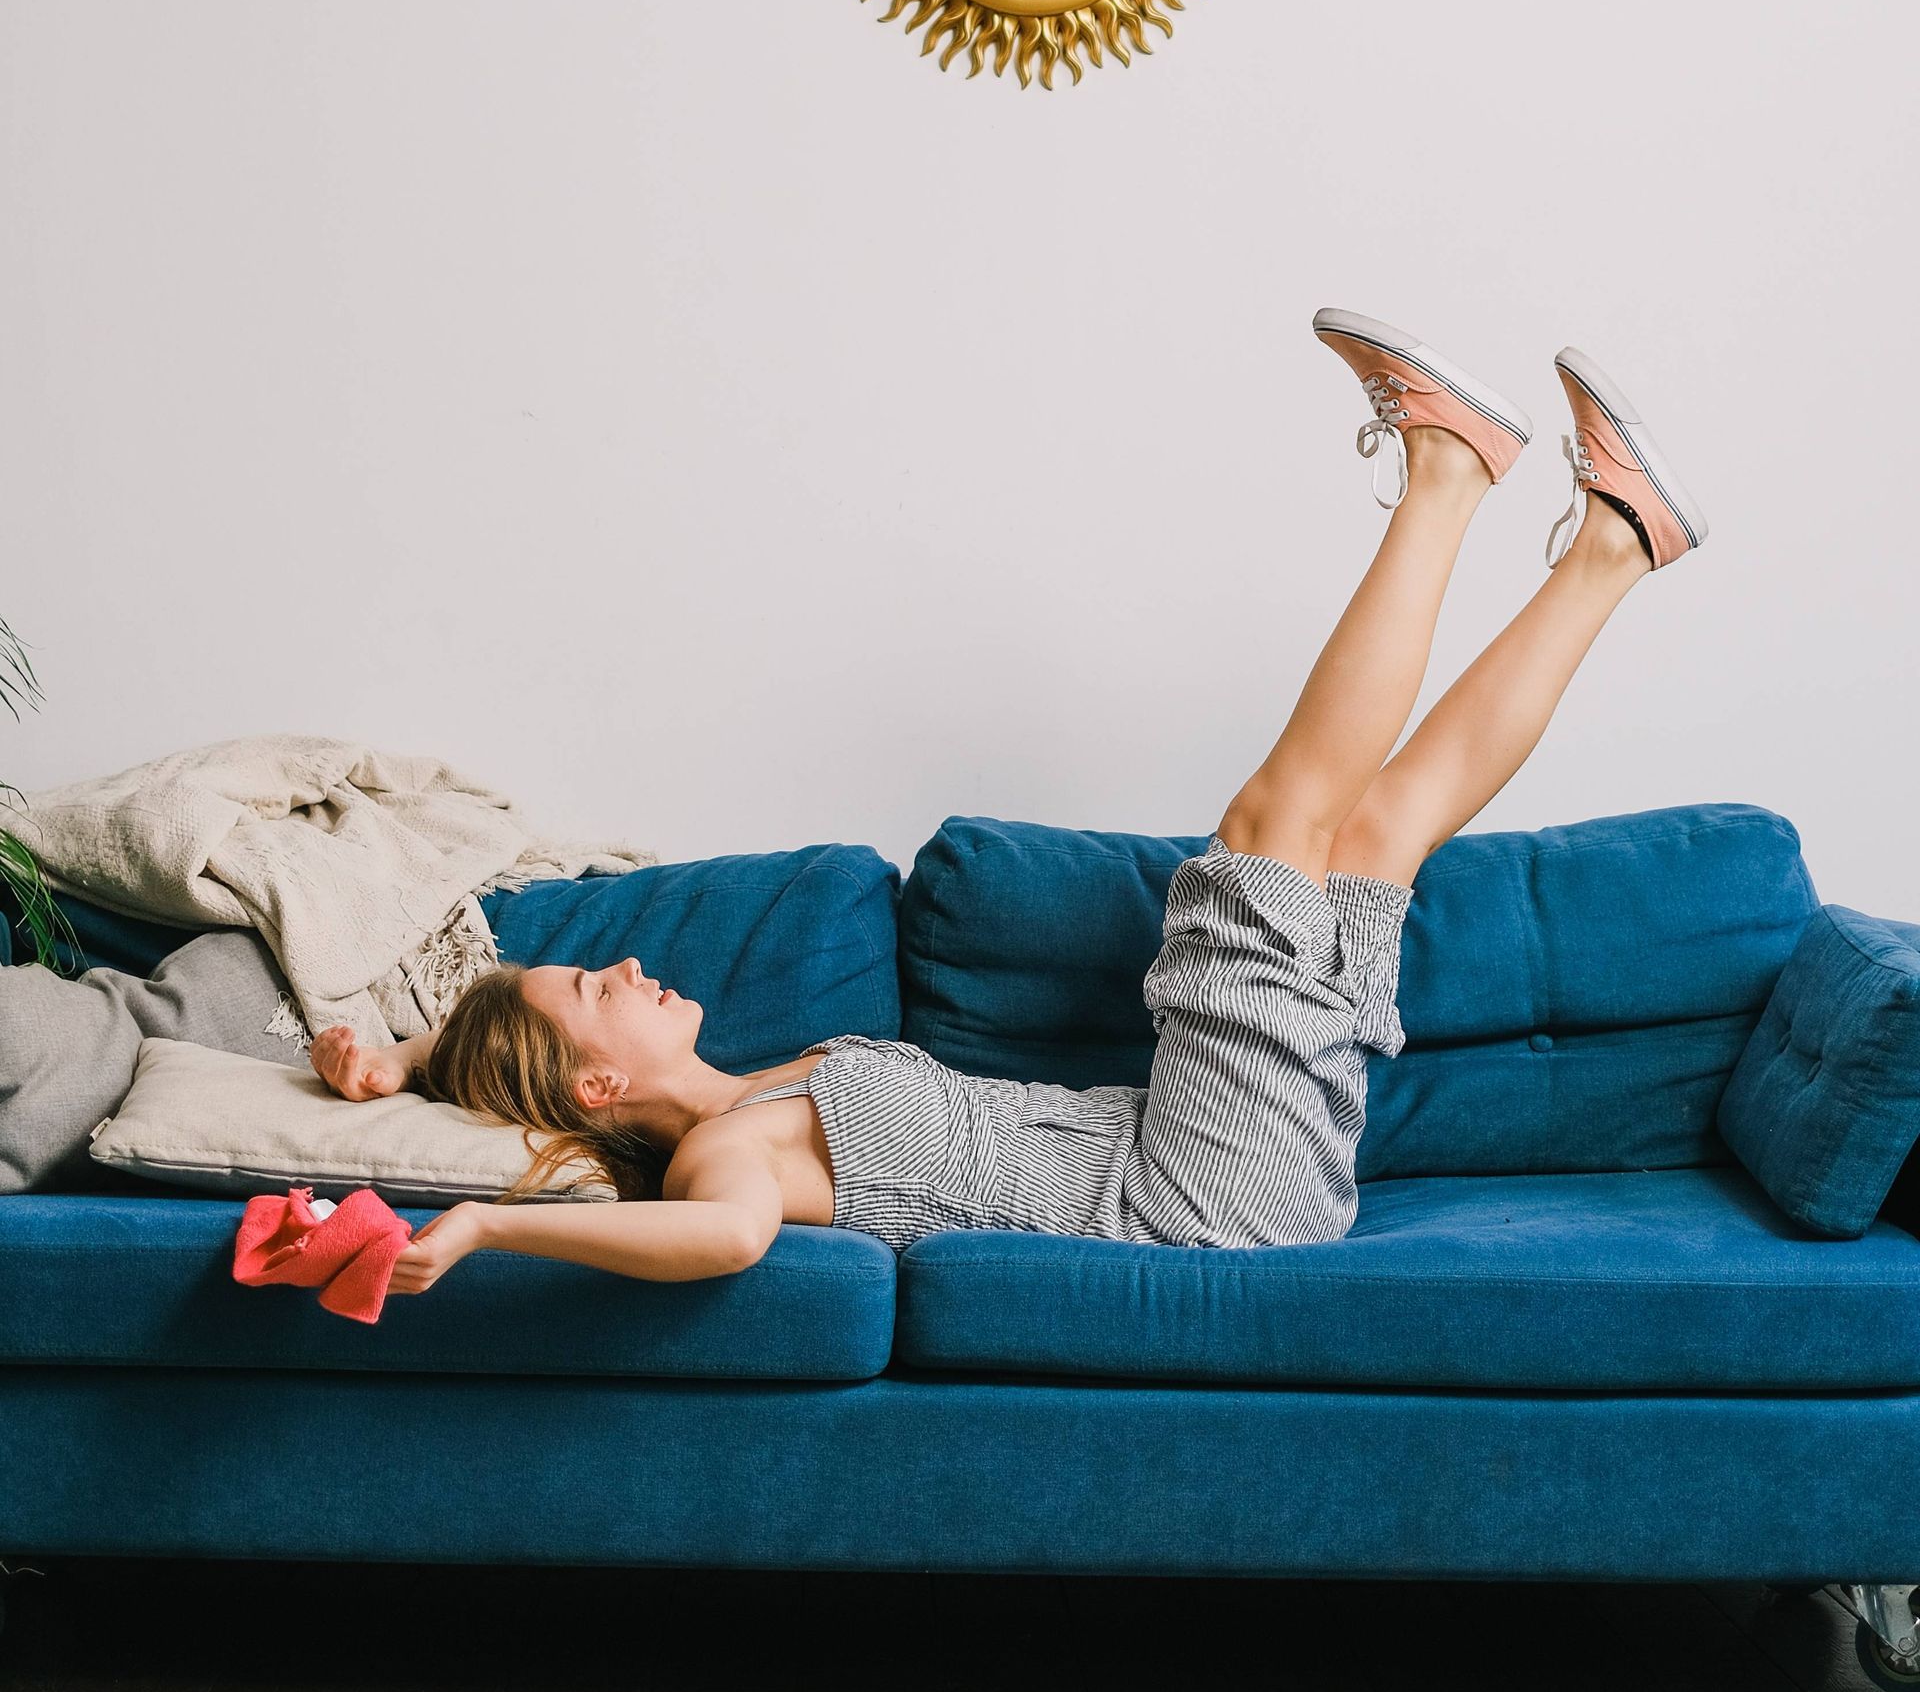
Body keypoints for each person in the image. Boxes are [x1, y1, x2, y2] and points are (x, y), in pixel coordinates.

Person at [312, 311, 1706, 1299]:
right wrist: (494, 1235)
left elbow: (508, 1038)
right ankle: (1447, 470)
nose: (621, 962)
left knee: (1375, 834)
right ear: (598, 1085)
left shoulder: (757, 1090)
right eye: (590, 987)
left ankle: (1614, 544)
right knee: (1276, 824)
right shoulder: (720, 1162)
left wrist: (400, 1059)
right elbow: (722, 1249)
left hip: (1221, 1168)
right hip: (1198, 1199)